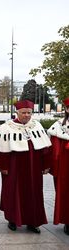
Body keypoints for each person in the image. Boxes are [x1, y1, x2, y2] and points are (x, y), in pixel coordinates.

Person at [0, 99, 52, 233]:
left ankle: (33, 222)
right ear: (17, 112)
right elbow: (2, 148)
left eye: (29, 113)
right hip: (14, 167)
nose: (26, 115)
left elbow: (45, 148)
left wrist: (47, 164)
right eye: (24, 113)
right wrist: (3, 166)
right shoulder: (7, 127)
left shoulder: (36, 126)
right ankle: (12, 220)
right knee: (13, 193)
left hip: (34, 167)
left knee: (34, 193)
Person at [47, 97, 69, 235]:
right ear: (67, 109)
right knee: (66, 193)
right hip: (66, 166)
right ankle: (68, 221)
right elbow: (54, 149)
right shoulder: (59, 126)